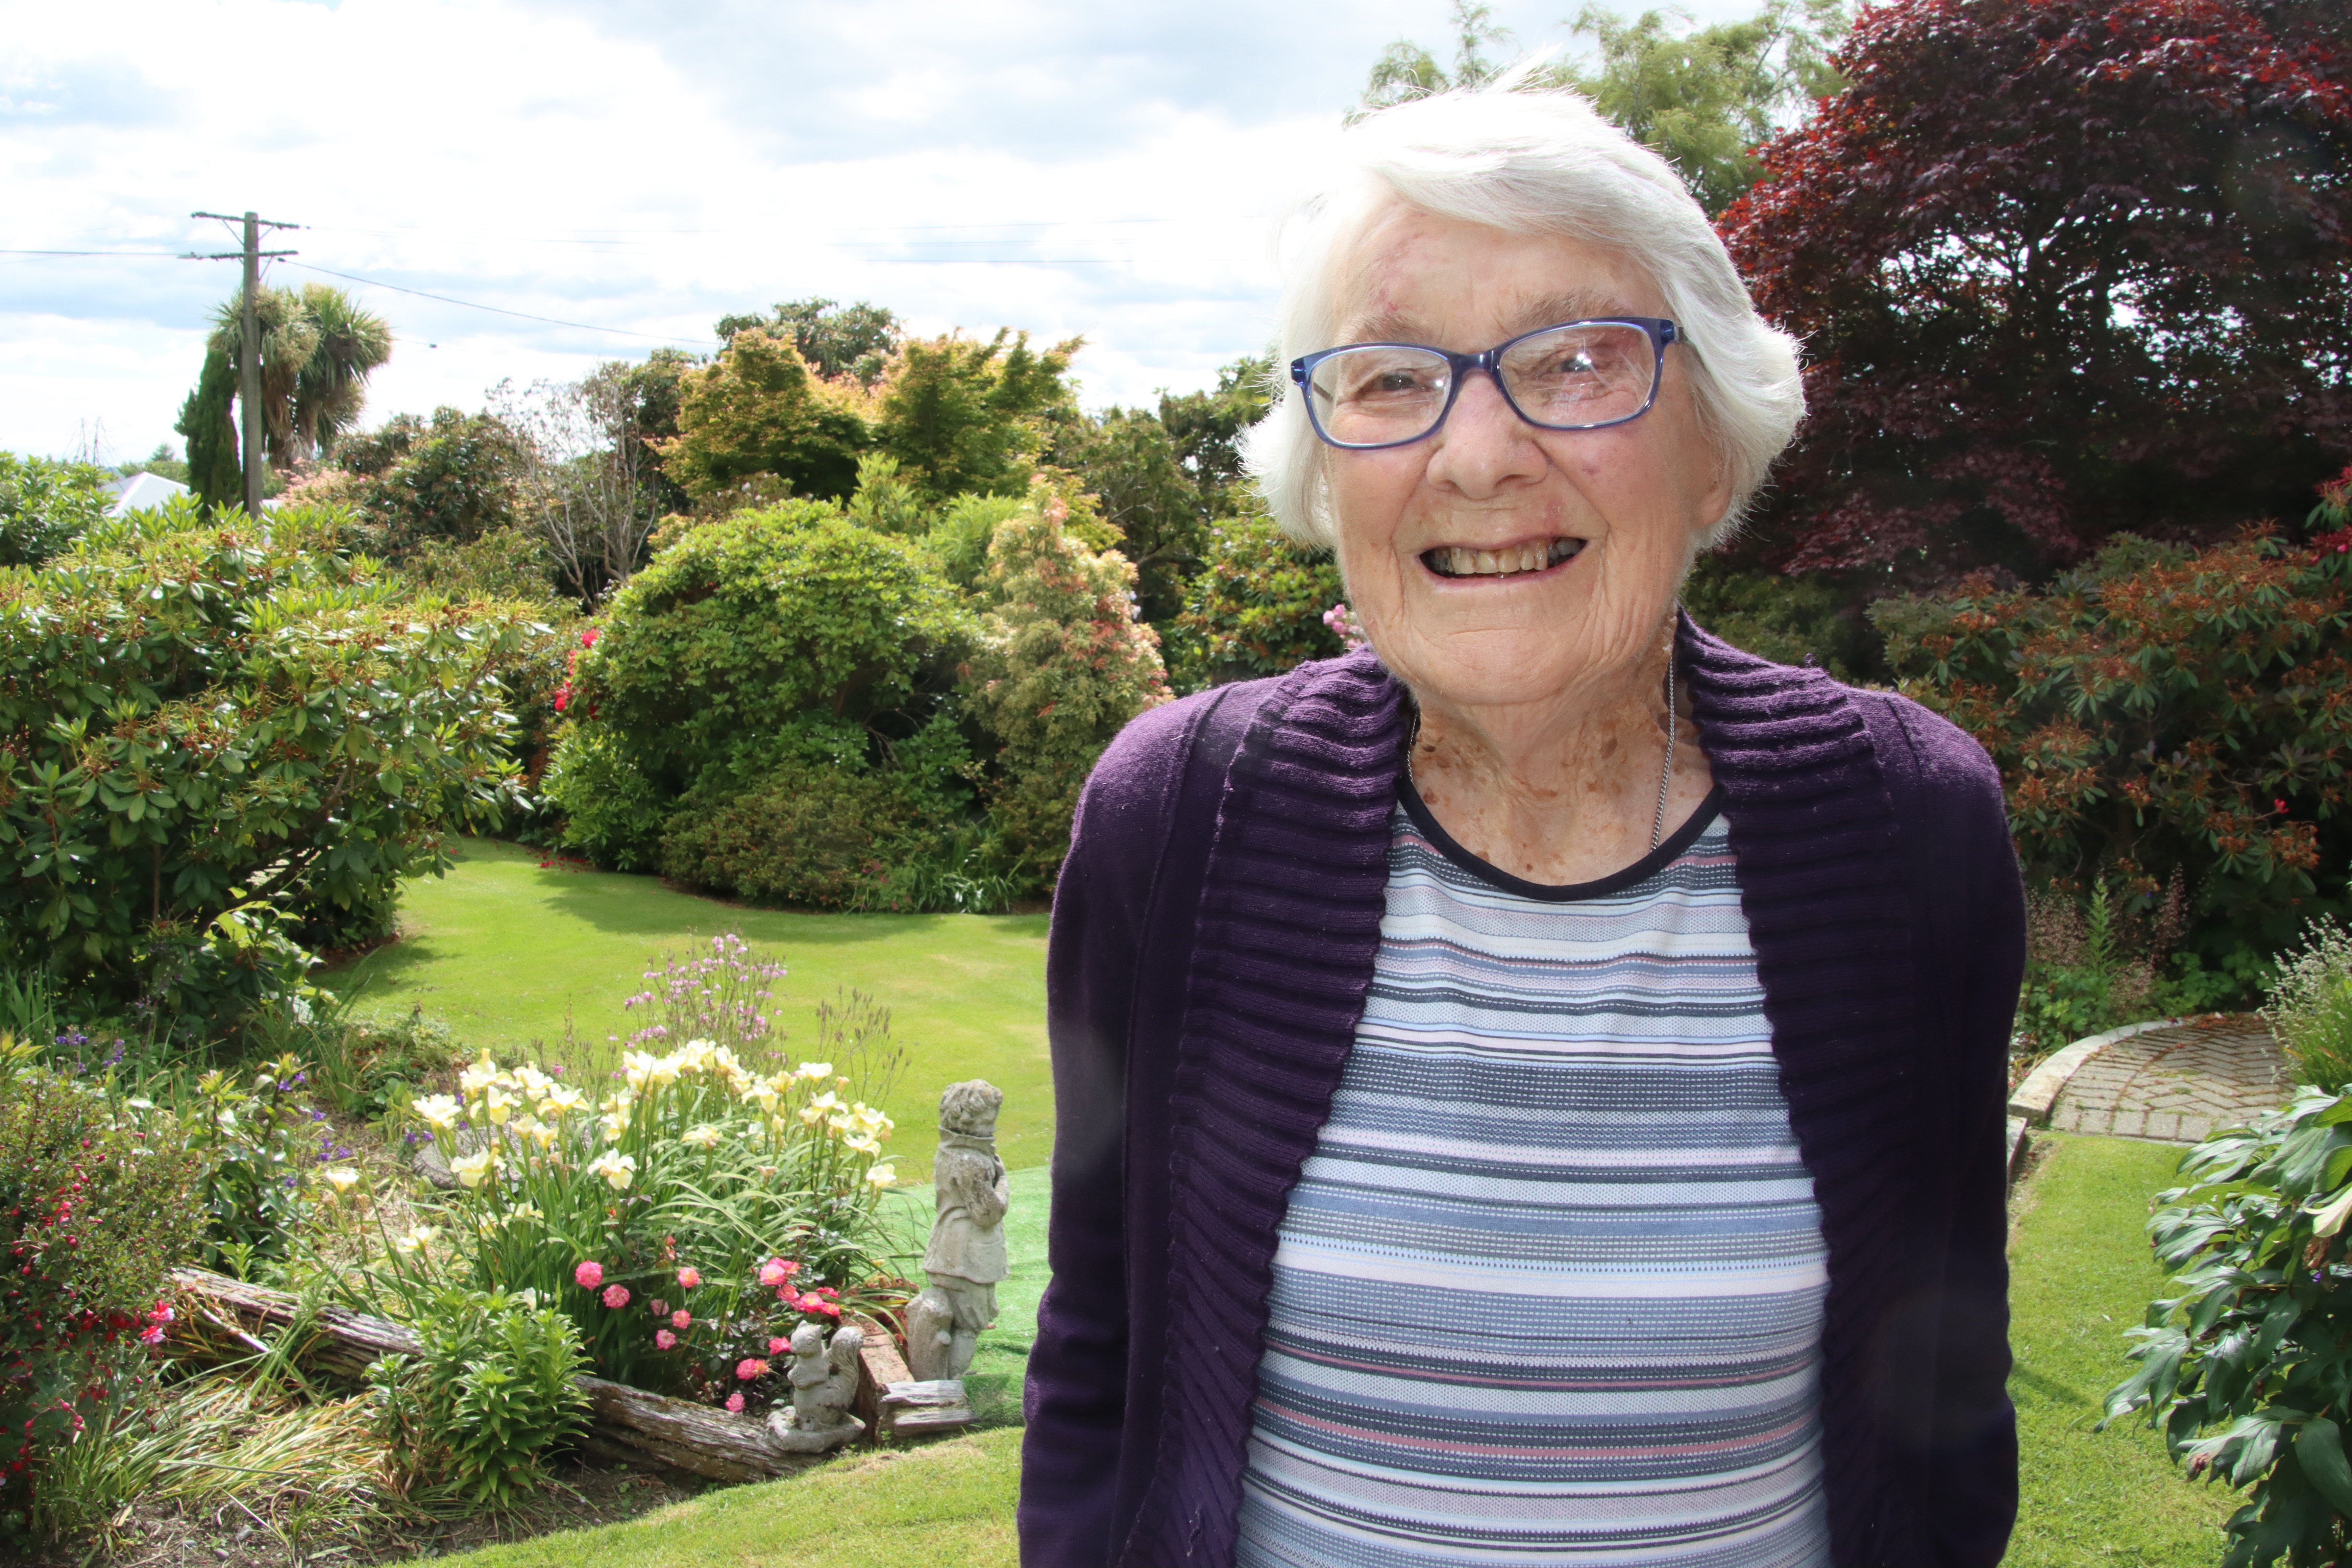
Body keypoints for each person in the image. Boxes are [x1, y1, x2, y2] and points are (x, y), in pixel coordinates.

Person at [1020, 78, 2024, 1568]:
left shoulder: (1909, 827)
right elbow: (1099, 1365)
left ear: (1713, 445)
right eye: (1389, 378)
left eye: (1574, 359)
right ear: (1326, 460)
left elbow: (1941, 1403)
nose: (1478, 455)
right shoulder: (1178, 816)